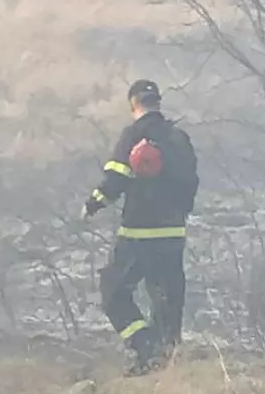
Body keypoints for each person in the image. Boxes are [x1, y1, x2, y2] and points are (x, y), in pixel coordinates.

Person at [82, 79, 199, 376]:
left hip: (138, 233)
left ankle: (145, 346)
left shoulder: (133, 135)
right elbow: (191, 184)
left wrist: (92, 204)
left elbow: (113, 181)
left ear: (133, 104)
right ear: (158, 101)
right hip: (173, 234)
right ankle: (165, 356)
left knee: (113, 292)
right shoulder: (179, 138)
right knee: (166, 296)